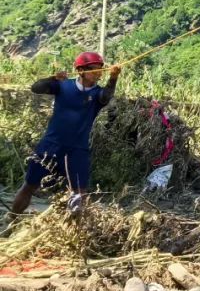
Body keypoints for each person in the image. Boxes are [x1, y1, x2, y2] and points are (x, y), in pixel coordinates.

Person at [10, 52, 120, 216]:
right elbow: (36, 88)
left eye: (100, 69)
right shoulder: (63, 85)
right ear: (80, 70)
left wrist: (113, 78)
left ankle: (73, 231)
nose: (98, 73)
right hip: (50, 145)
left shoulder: (98, 93)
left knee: (79, 194)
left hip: (77, 150)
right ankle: (12, 219)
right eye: (93, 69)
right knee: (30, 186)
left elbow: (106, 97)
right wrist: (52, 78)